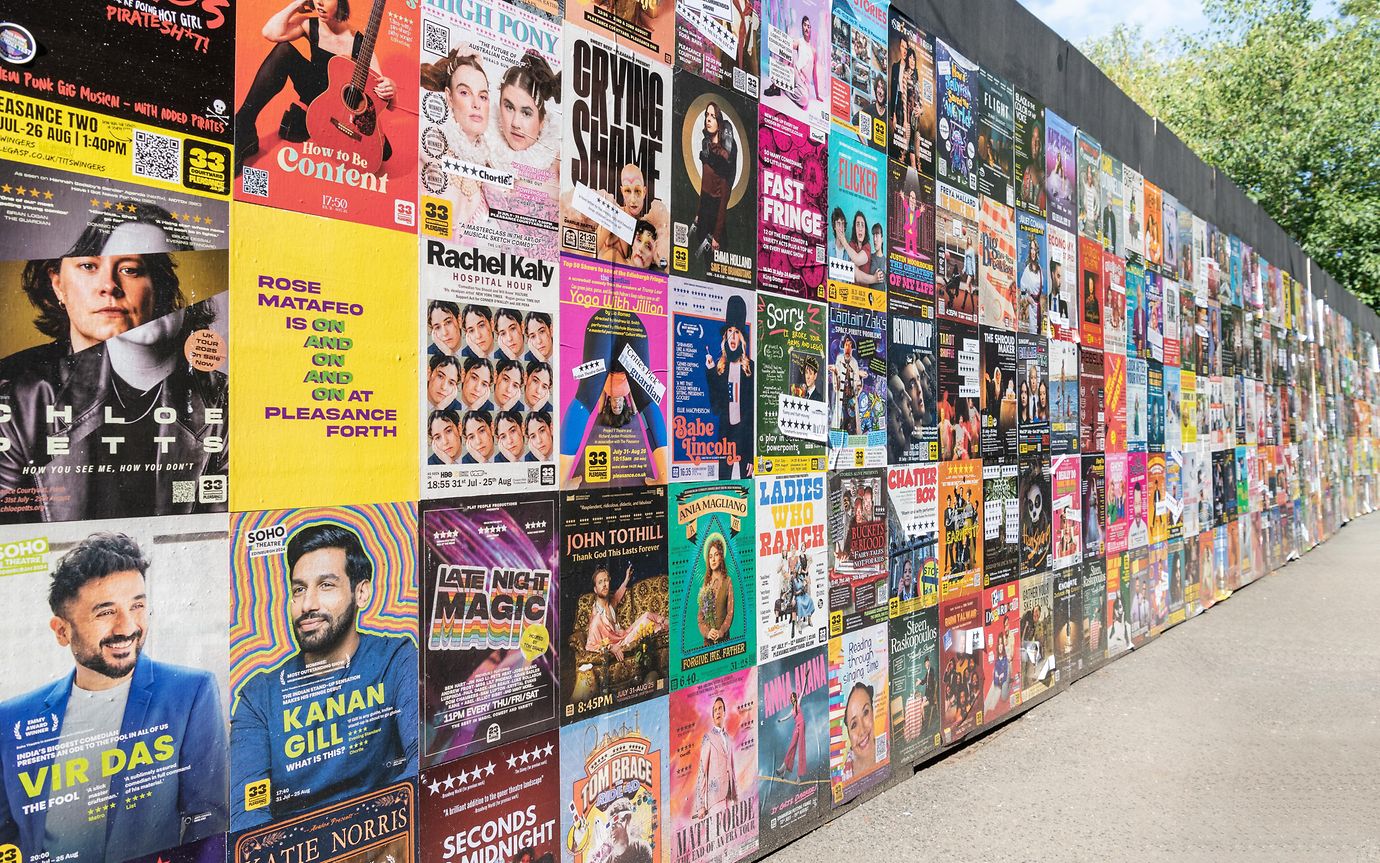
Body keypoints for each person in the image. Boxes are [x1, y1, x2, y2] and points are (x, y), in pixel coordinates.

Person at [0, 533, 227, 861]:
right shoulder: (11, 718)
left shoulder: (190, 693)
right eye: (105, 612)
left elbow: (208, 827)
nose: (128, 626)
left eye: (137, 605)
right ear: (62, 631)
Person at [0, 203, 227, 522]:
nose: (109, 286)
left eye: (133, 269)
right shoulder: (20, 392)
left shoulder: (215, 400)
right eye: (89, 266)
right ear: (57, 283)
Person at [230, 524, 418, 829]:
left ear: (361, 592)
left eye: (326, 585)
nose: (307, 605)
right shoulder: (258, 697)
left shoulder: (396, 659)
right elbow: (247, 814)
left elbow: (422, 761)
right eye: (299, 589)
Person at [234, 0, 398, 174]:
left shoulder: (359, 43)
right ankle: (244, 125)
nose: (319, 2)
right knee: (283, 51)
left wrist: (391, 88)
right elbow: (269, 33)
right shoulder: (310, 25)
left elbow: (386, 100)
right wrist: (296, 4)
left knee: (383, 152)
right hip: (315, 95)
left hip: (341, 107)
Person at [560, 308, 668, 487]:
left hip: (609, 322)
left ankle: (562, 480)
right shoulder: (626, 393)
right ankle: (664, 479)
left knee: (587, 396)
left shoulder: (607, 392)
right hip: (629, 325)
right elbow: (640, 406)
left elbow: (600, 401)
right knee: (645, 399)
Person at [704, 295, 754, 479]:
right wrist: (710, 372)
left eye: (737, 332)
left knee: (746, 483)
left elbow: (752, 416)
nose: (733, 336)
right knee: (723, 480)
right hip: (725, 433)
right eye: (730, 331)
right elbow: (716, 406)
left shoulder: (751, 368)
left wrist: (750, 455)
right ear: (725, 337)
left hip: (744, 435)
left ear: (742, 338)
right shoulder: (720, 368)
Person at [689, 102, 738, 268]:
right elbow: (705, 185)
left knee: (714, 268)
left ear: (719, 121)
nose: (708, 119)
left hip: (717, 214)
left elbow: (724, 197)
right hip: (705, 209)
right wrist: (698, 215)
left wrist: (716, 235)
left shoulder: (725, 154)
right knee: (701, 264)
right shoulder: (706, 146)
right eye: (706, 116)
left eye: (712, 116)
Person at [584, 563, 667, 661]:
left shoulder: (610, 603)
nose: (604, 585)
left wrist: (627, 579)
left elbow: (617, 596)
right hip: (619, 644)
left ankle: (666, 622)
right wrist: (611, 648)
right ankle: (666, 628)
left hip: (623, 635)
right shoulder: (596, 617)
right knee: (646, 623)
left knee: (647, 615)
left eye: (606, 580)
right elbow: (589, 646)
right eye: (600, 582)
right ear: (595, 589)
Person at [597, 165, 670, 270]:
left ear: (644, 192)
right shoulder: (612, 215)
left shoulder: (643, 225)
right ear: (622, 191)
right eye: (627, 191)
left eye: (637, 191)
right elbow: (589, 254)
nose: (633, 200)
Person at [692, 697, 738, 819]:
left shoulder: (728, 738)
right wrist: (701, 805)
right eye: (715, 710)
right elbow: (702, 771)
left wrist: (736, 796)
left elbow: (732, 769)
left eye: (720, 709)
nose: (718, 712)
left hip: (730, 796)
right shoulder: (708, 738)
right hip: (715, 798)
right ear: (713, 716)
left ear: (724, 713)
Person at [697, 537, 735, 645]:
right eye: (710, 557)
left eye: (716, 555)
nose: (713, 559)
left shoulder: (728, 582)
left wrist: (721, 631)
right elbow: (700, 618)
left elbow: (730, 613)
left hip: (723, 639)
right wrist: (707, 632)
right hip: (708, 642)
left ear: (721, 557)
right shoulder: (706, 584)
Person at [843, 681, 876, 778]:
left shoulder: (888, 750)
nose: (862, 730)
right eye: (854, 725)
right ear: (848, 734)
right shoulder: (843, 777)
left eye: (866, 712)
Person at [775, 691, 807, 778]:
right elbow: (787, 717)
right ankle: (783, 768)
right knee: (791, 747)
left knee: (801, 747)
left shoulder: (798, 703)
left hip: (802, 724)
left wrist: (806, 678)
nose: (792, 699)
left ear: (795, 697)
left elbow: (803, 690)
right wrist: (780, 720)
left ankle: (800, 774)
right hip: (797, 726)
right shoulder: (792, 710)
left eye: (793, 697)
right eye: (791, 698)